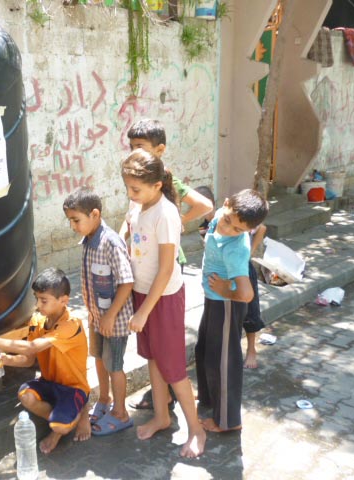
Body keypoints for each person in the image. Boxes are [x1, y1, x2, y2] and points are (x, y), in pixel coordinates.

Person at [123, 118, 213, 411]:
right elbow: (131, 225)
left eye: (140, 146)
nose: (134, 151)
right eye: (132, 146)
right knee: (153, 354)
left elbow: (165, 268)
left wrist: (180, 225)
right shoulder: (140, 198)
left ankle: (191, 424)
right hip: (144, 284)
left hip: (163, 286)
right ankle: (161, 410)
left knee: (170, 362)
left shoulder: (164, 208)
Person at [0, 268, 91, 454]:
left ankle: (73, 417)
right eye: (36, 298)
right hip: (49, 382)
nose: (38, 305)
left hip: (73, 387)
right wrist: (5, 359)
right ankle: (66, 415)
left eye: (43, 300)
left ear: (63, 301)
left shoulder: (72, 324)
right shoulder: (38, 320)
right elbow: (28, 359)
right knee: (25, 395)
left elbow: (32, 347)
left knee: (60, 426)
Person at [195, 188, 269, 433]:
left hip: (226, 304)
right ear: (226, 204)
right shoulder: (219, 216)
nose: (228, 229)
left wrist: (227, 291)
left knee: (224, 360)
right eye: (227, 221)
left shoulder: (236, 248)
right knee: (205, 349)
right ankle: (210, 400)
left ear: (246, 230)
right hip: (213, 298)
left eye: (237, 229)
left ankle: (228, 420)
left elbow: (247, 295)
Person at [63, 187, 134, 436]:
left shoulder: (110, 242)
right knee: (100, 359)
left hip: (114, 321)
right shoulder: (88, 240)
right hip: (97, 317)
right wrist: (94, 315)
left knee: (114, 365)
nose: (73, 226)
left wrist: (111, 315)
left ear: (94, 214)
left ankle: (121, 413)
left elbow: (127, 282)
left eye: (76, 220)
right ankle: (104, 400)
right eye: (70, 220)